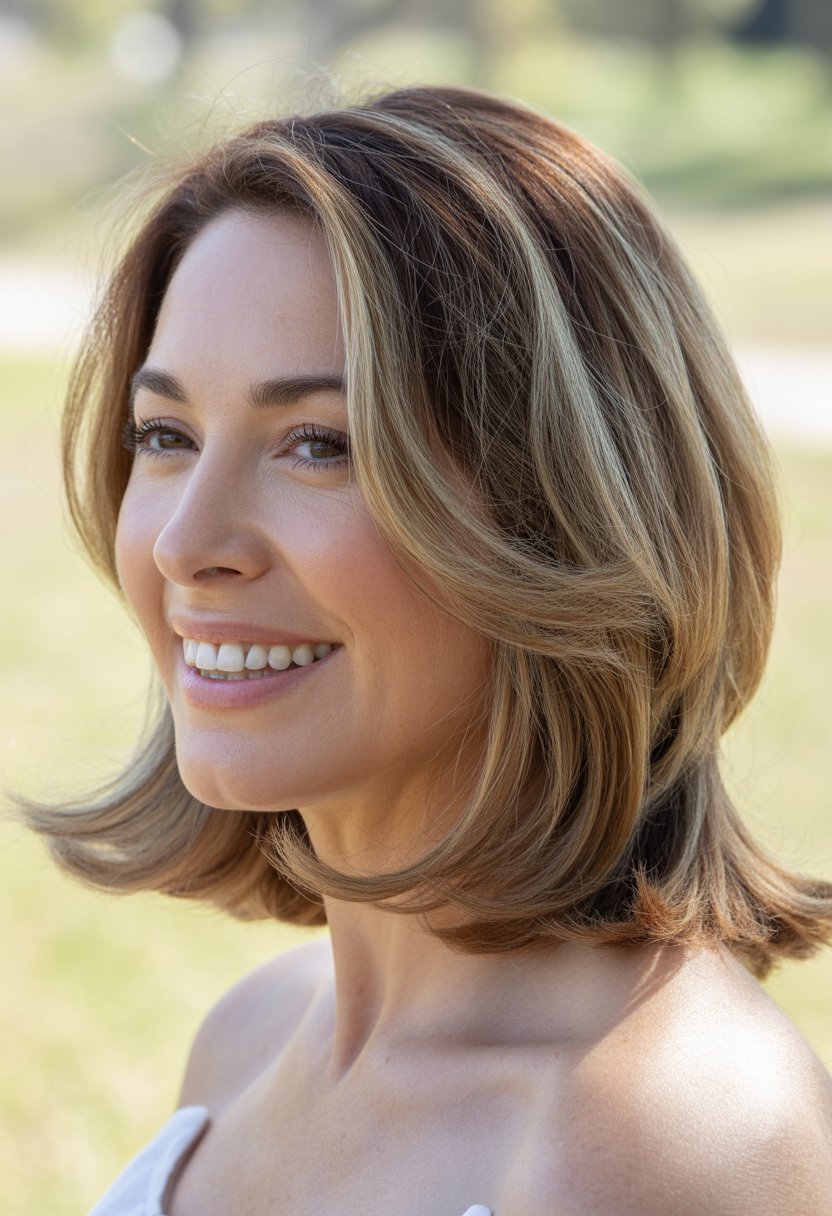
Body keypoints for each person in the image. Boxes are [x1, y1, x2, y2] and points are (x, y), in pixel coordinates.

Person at [19, 84, 832, 1214]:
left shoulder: (668, 1132)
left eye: (318, 444)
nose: (187, 543)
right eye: (166, 435)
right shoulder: (248, 1040)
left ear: (560, 511)